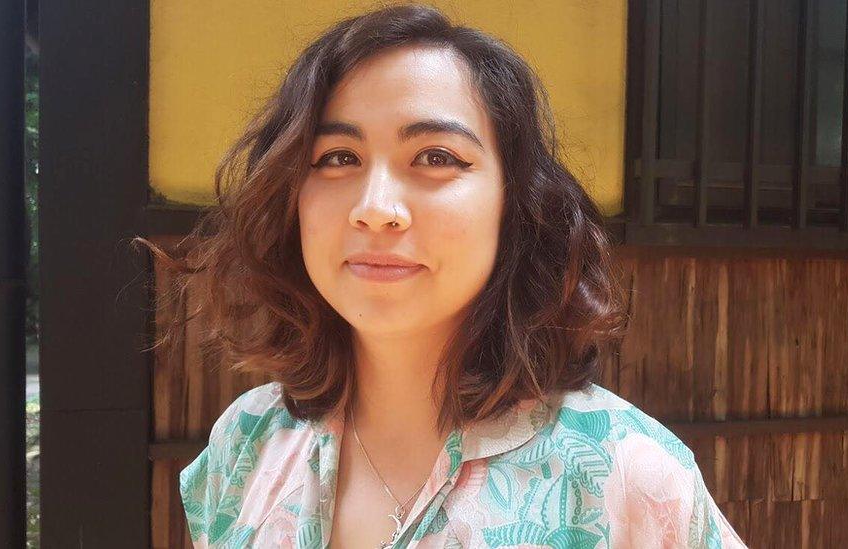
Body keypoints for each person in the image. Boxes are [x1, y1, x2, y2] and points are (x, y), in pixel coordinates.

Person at [140, 3, 748, 548]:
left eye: (436, 157)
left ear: (515, 204)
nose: (375, 206)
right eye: (337, 158)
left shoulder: (624, 474)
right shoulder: (245, 445)